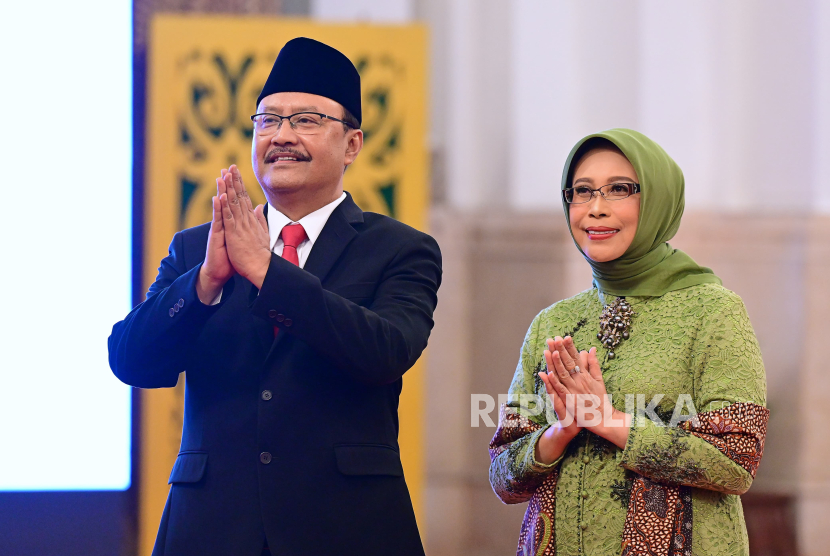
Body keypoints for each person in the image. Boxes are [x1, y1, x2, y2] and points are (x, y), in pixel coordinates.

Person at [109, 37, 440, 556]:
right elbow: (132, 360)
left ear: (352, 144)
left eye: (306, 120)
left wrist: (265, 271)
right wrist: (204, 283)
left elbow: (385, 353)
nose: (282, 136)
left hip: (347, 528)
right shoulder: (199, 247)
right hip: (212, 529)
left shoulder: (400, 249)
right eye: (267, 121)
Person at [489, 129, 767, 556]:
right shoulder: (554, 321)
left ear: (657, 199)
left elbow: (735, 460)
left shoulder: (712, 312)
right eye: (582, 192)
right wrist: (561, 431)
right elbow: (503, 477)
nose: (596, 209)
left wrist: (608, 420)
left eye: (619, 189)